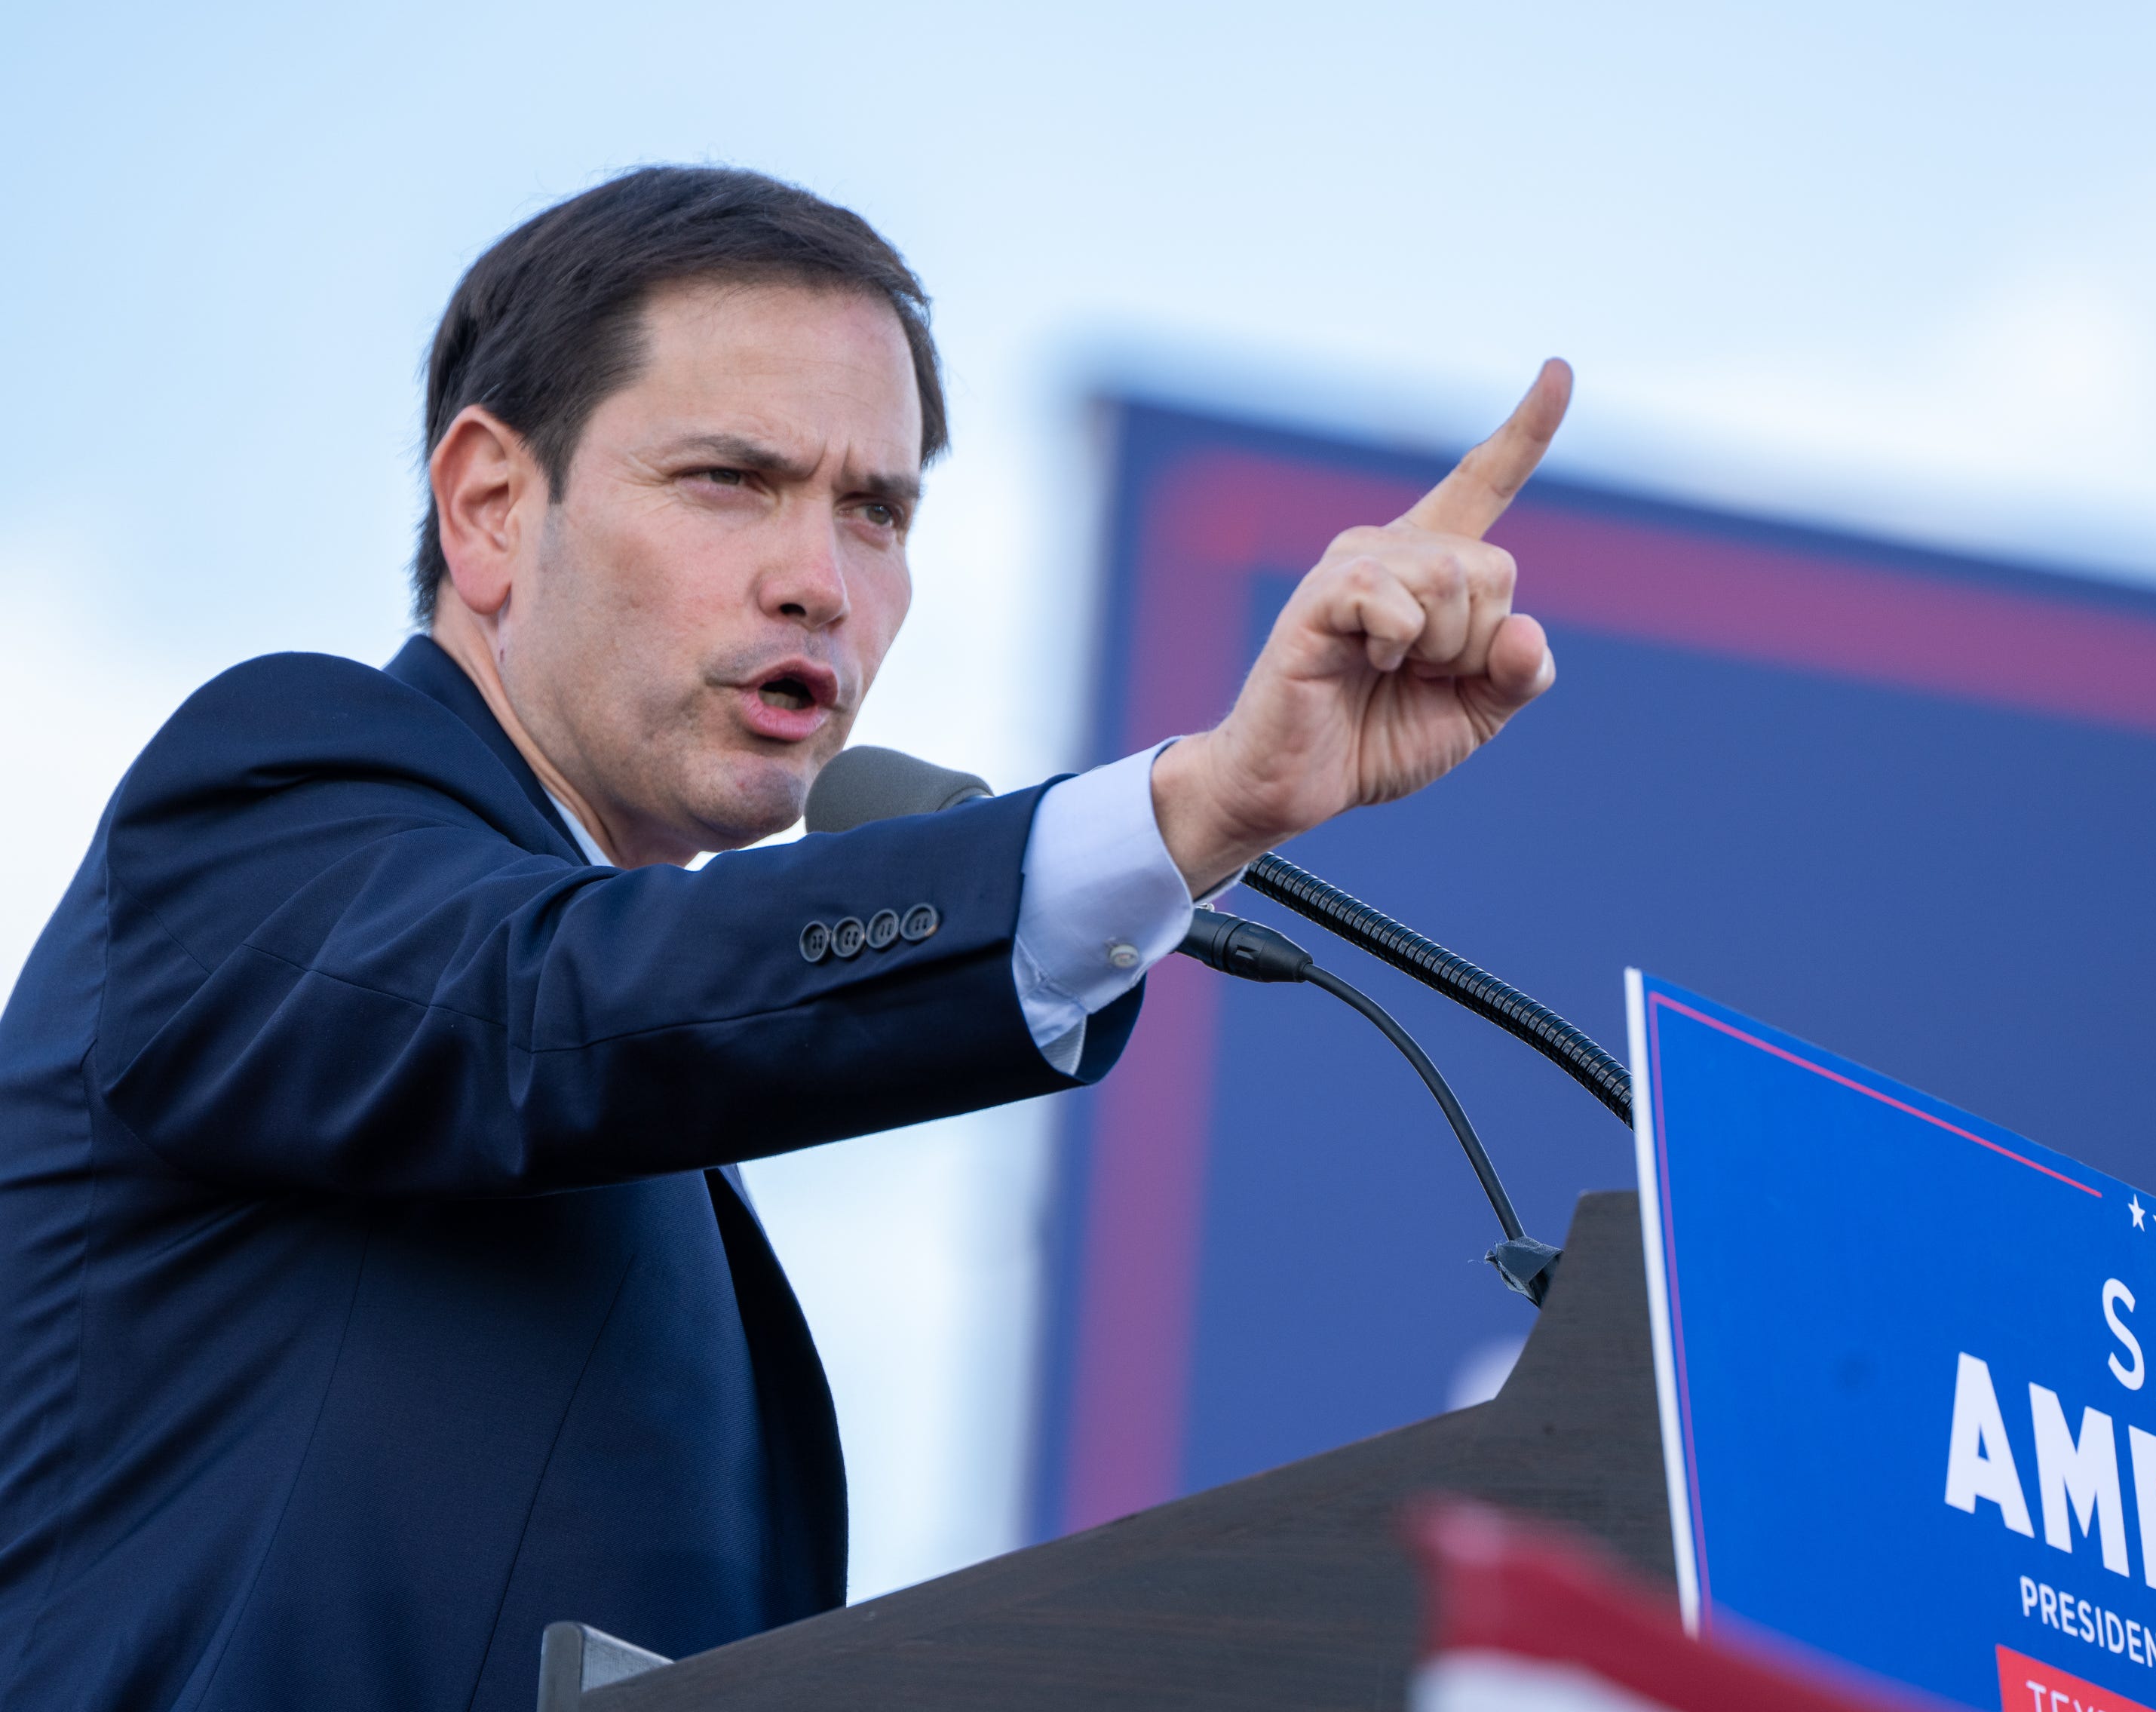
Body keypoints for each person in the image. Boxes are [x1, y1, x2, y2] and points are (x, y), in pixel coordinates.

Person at [0, 165, 1572, 1711]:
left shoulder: (645, 1070)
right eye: (730, 481)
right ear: (489, 507)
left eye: (874, 511)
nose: (819, 582)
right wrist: (1192, 808)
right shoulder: (273, 792)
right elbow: (548, 1009)